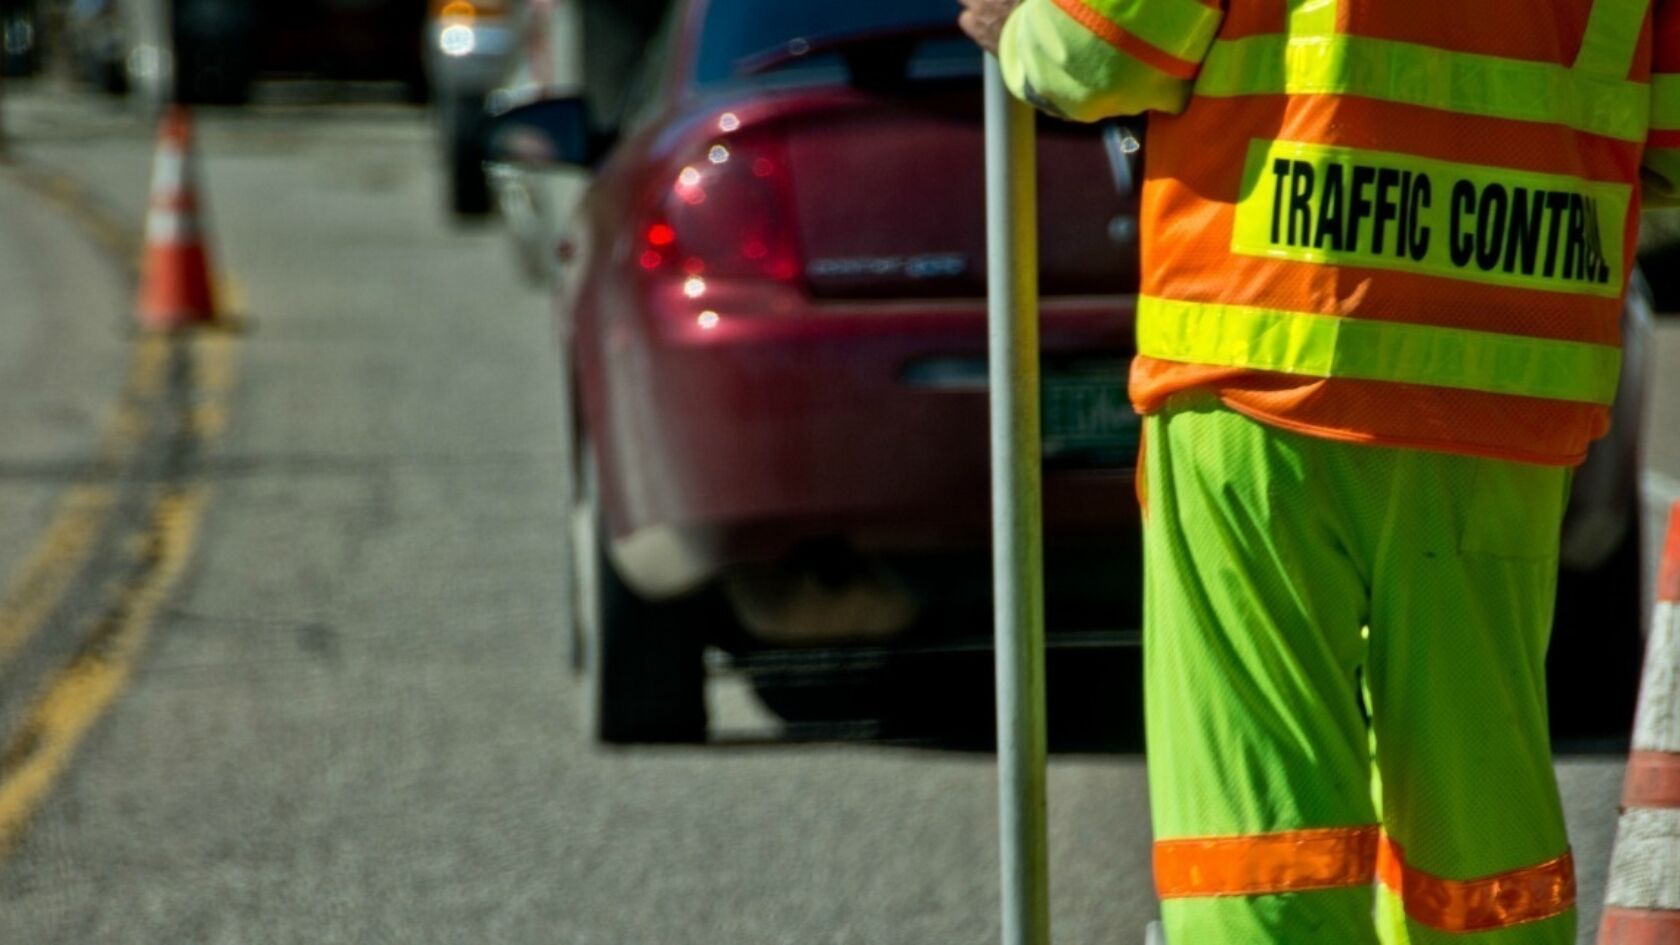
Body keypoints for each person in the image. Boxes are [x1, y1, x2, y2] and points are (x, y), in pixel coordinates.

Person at [958, 1, 1679, 943]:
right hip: (1500, 378)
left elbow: (1095, 53)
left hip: (1268, 350)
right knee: (1476, 811)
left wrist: (1020, 26)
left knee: (1264, 817)